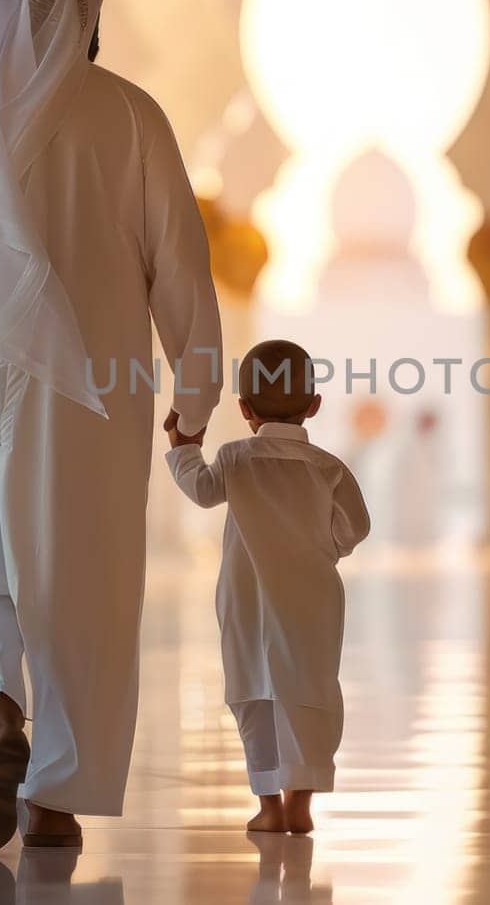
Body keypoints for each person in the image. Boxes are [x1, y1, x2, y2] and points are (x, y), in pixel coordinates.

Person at [0, 0, 223, 852]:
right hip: (96, 392)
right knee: (86, 582)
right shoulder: (133, 118)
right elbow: (181, 269)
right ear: (85, 8)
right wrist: (195, 395)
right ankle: (55, 796)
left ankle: (2, 717)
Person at [164, 339, 370, 834]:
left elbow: (202, 490)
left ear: (244, 409)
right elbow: (356, 527)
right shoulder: (328, 468)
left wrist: (185, 449)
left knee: (252, 693)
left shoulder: (236, 458)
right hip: (311, 602)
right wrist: (326, 550)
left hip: (247, 602)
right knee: (308, 690)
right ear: (314, 405)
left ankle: (269, 806)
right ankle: (301, 802)